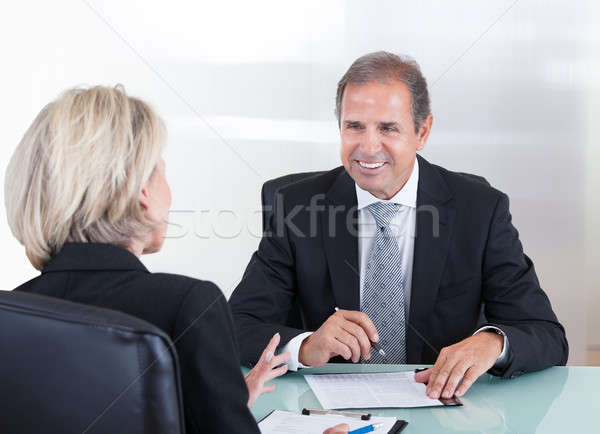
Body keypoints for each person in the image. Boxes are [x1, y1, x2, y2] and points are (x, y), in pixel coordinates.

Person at [4, 85, 347, 433]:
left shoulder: (12, 311)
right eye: (161, 172)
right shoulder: (187, 306)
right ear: (141, 194)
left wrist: (221, 408)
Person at [229, 51, 569, 400]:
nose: (368, 147)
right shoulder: (298, 207)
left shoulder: (480, 210)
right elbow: (236, 326)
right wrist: (306, 346)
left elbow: (545, 334)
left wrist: (492, 342)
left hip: (444, 407)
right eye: (354, 126)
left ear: (422, 131)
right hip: (328, 411)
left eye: (388, 128)